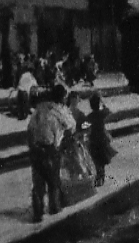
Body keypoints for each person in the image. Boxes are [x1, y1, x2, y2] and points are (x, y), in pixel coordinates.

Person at [27, 84, 76, 222]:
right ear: (61, 97)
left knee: (38, 182)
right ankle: (54, 207)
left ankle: (38, 211)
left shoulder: (39, 109)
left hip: (36, 148)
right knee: (53, 180)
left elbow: (30, 128)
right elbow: (71, 125)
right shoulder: (58, 110)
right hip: (50, 149)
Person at [86, 93, 115, 187]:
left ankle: (99, 176)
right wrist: (103, 103)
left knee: (96, 160)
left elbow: (84, 126)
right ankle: (101, 176)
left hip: (93, 140)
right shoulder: (102, 114)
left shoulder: (90, 116)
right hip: (102, 139)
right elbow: (108, 111)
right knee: (101, 159)